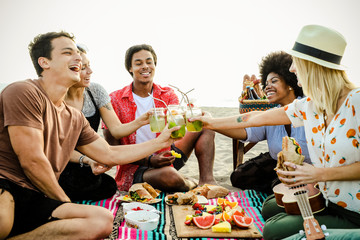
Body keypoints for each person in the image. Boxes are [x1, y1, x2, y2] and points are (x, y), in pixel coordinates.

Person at [0, 31, 178, 239]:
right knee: (3, 220)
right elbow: (32, 160)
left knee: (103, 221)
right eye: (68, 52)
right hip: (8, 185)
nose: (78, 58)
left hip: (37, 197)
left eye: (78, 53)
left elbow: (110, 154)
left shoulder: (74, 118)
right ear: (44, 62)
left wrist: (161, 141)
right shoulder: (23, 92)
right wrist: (64, 203)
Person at [192, 25, 360, 239]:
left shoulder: (356, 101)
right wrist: (209, 123)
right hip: (326, 199)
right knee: (269, 209)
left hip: (354, 212)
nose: (291, 69)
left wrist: (319, 174)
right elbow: (252, 118)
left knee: (271, 230)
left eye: (296, 63)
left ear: (313, 66)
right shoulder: (310, 105)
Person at [103, 44, 217, 192]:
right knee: (170, 177)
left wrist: (191, 113)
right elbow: (113, 148)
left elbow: (178, 129)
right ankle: (192, 182)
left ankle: (207, 180)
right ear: (130, 68)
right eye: (138, 63)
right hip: (135, 165)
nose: (145, 66)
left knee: (206, 121)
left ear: (154, 65)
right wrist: (149, 159)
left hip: (166, 157)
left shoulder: (167, 94)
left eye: (149, 62)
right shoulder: (115, 99)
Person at [58, 44, 149, 202]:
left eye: (89, 66)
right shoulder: (57, 97)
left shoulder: (95, 91)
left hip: (89, 163)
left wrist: (141, 120)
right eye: (82, 67)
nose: (90, 72)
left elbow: (117, 130)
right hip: (62, 162)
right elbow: (58, 148)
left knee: (108, 186)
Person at [224, 51, 310, 194]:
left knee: (282, 186)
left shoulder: (307, 106)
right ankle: (276, 185)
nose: (267, 86)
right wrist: (212, 125)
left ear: (290, 82)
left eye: (274, 81)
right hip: (278, 163)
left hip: (308, 169)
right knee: (239, 176)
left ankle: (278, 187)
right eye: (266, 83)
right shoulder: (272, 113)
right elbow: (246, 132)